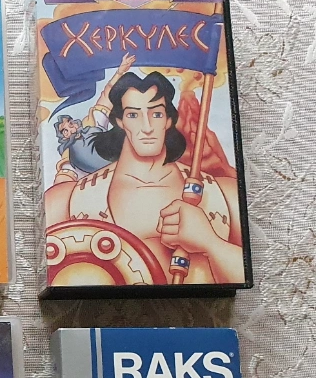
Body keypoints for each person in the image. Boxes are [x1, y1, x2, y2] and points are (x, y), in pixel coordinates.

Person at [44, 71, 244, 285]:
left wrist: (210, 242)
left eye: (156, 114)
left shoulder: (226, 196)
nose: (147, 127)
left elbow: (247, 277)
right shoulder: (66, 201)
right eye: (133, 115)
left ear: (168, 120)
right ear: (120, 121)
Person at [52, 53, 136, 183]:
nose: (71, 128)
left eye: (70, 123)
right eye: (65, 130)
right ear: (64, 136)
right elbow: (64, 177)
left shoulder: (92, 126)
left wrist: (119, 72)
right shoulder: (69, 153)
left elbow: (107, 96)